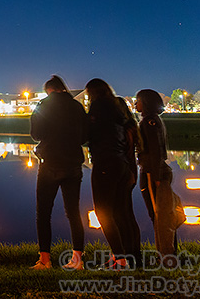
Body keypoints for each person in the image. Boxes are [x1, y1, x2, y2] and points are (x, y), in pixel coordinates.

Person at [29, 75, 88, 270]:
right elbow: (85, 136)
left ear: (49, 90)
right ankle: (77, 259)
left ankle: (45, 260)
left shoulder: (43, 105)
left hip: (50, 163)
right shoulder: (77, 107)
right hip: (73, 164)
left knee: (43, 213)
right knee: (73, 212)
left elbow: (36, 134)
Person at [85, 78, 140, 269]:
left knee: (103, 213)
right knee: (123, 213)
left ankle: (120, 258)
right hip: (122, 165)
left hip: (105, 165)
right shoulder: (119, 108)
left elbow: (87, 134)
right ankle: (132, 257)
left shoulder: (99, 107)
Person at [135, 89, 180, 260]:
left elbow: (155, 151)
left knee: (159, 215)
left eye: (138, 100)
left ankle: (166, 254)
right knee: (162, 215)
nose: (135, 104)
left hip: (152, 173)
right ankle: (167, 252)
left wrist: (156, 177)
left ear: (145, 102)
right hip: (156, 171)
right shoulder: (154, 120)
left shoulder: (149, 122)